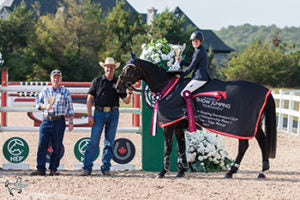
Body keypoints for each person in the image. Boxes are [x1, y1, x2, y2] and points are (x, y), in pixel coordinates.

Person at [82, 57, 131, 176]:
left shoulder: (118, 83)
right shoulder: (97, 81)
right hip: (99, 113)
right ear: (104, 68)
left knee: (109, 141)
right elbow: (89, 99)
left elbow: (126, 101)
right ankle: (87, 167)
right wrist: (89, 115)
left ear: (114, 69)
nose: (109, 69)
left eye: (112, 67)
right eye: (107, 67)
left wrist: (130, 92)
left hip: (114, 112)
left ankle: (106, 167)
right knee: (94, 140)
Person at [31, 69, 74, 176]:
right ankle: (40, 168)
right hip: (46, 119)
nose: (56, 79)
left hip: (59, 120)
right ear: (51, 78)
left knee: (57, 145)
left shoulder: (65, 91)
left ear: (61, 79)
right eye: (54, 77)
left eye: (58, 77)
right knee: (42, 145)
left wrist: (71, 121)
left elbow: (69, 107)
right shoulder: (45, 90)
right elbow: (37, 104)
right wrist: (45, 106)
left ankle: (53, 168)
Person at [178, 30, 211, 96]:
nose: (194, 42)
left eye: (196, 41)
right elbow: (193, 63)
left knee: (184, 93)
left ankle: (190, 107)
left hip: (200, 78)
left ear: (200, 41)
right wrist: (182, 62)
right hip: (199, 77)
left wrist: (182, 75)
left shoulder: (199, 52)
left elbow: (192, 66)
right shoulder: (199, 50)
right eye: (193, 41)